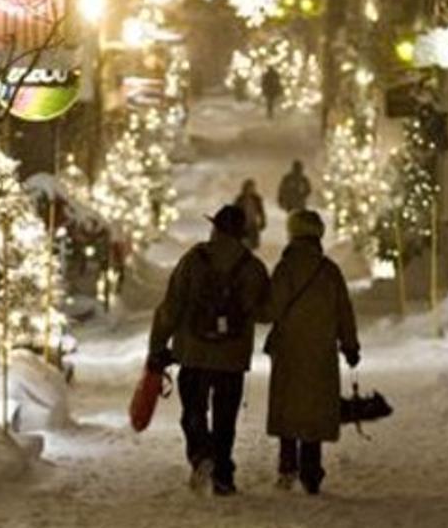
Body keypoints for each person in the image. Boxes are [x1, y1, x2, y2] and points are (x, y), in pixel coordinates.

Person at [147, 205, 271, 496]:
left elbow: (172, 306)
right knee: (225, 418)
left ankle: (201, 455)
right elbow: (265, 311)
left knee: (193, 411)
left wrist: (158, 344)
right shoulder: (251, 266)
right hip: (232, 356)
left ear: (216, 228)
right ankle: (223, 477)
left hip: (194, 351)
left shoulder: (194, 259)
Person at [263, 210, 360, 495]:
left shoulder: (285, 268)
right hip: (320, 352)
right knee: (314, 408)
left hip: (289, 350)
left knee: (288, 406)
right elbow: (344, 311)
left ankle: (287, 465)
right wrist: (350, 345)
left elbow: (271, 309)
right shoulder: (329, 270)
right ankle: (311, 471)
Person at [234, 179, 266, 250]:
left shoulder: (257, 199)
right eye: (249, 187)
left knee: (253, 245)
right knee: (242, 244)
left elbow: (261, 212)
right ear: (245, 188)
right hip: (242, 225)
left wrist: (263, 221)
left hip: (253, 225)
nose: (251, 189)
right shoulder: (239, 199)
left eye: (252, 187)